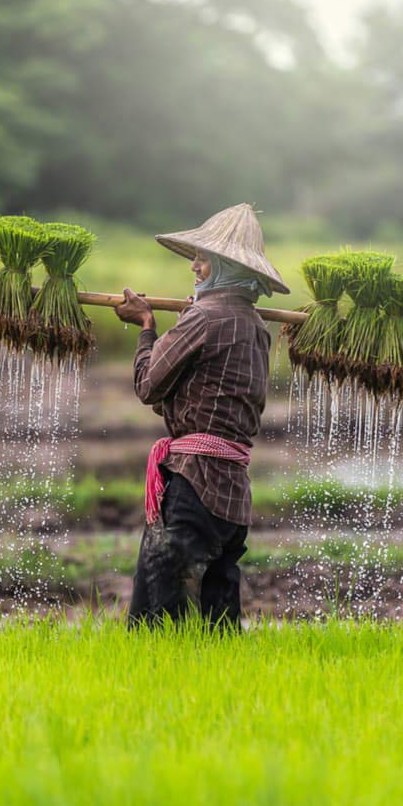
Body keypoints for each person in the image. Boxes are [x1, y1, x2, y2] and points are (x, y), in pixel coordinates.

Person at [113, 203, 290, 629]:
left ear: (225, 267)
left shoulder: (205, 318)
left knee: (158, 604)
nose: (194, 266)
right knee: (217, 613)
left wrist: (146, 326)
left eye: (203, 259)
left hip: (195, 482)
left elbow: (148, 386)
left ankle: (157, 679)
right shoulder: (254, 325)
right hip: (231, 493)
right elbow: (199, 397)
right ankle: (217, 680)